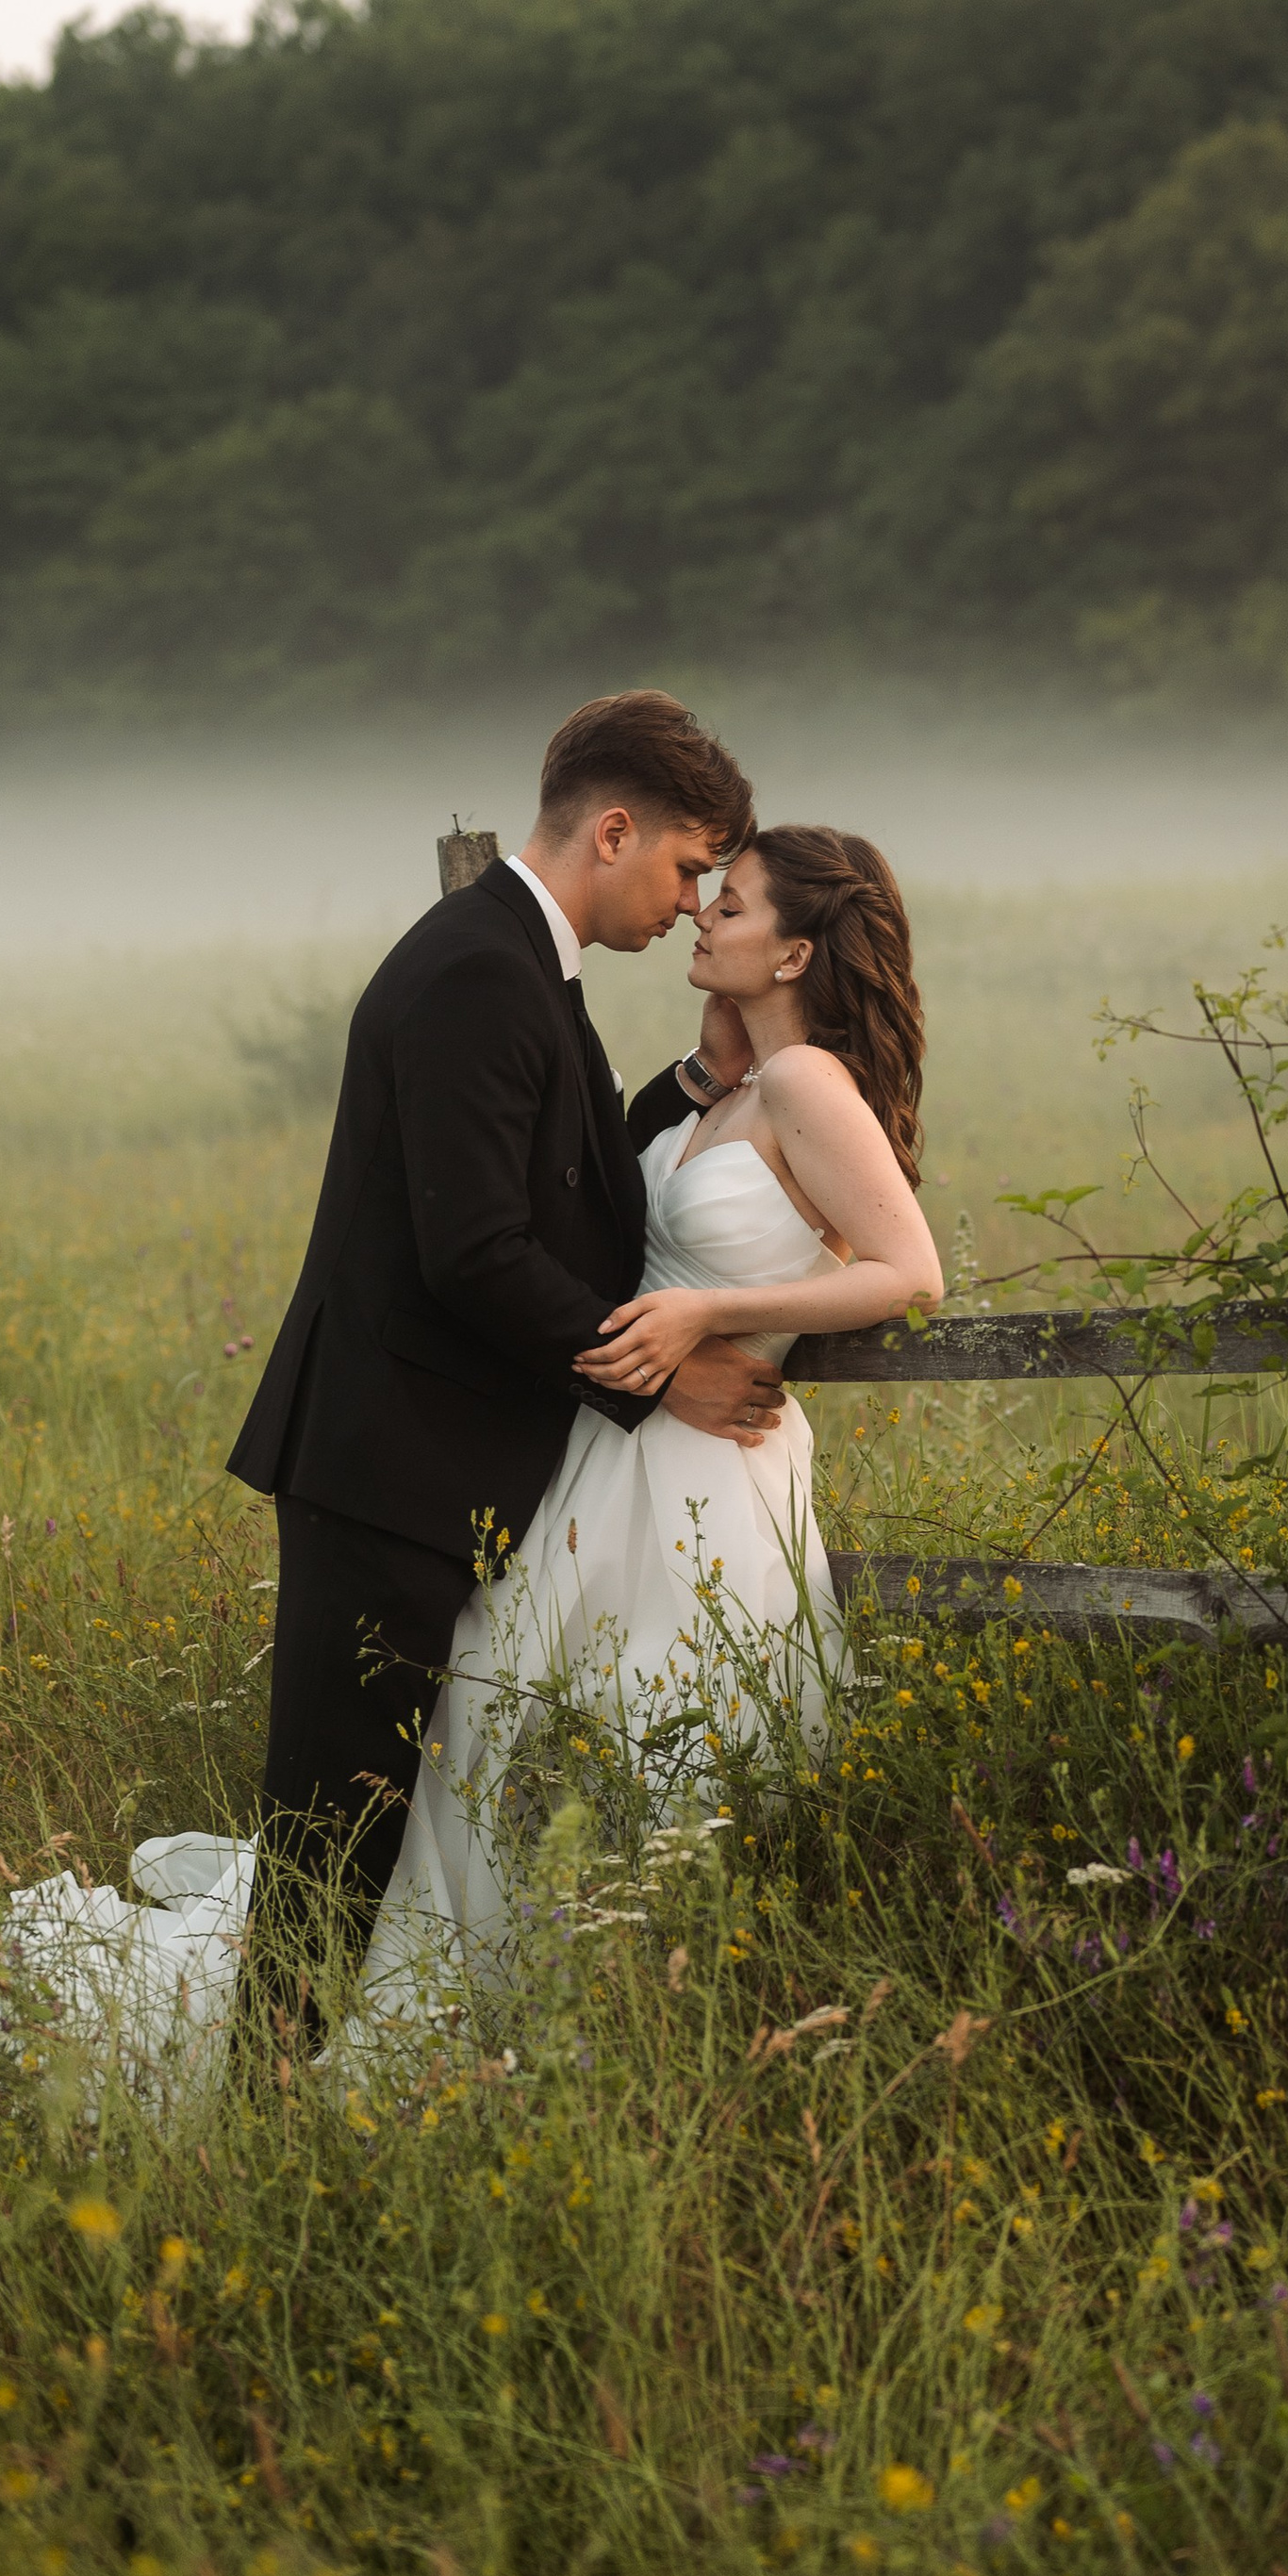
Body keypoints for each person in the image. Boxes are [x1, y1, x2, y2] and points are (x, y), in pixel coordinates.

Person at [224, 690, 781, 2044]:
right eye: (688, 866)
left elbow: (553, 1166)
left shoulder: (518, 963)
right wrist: (664, 1376)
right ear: (610, 829)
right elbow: (475, 1250)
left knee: (367, 1827)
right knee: (331, 1835)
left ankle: (286, 2094)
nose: (693, 902)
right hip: (391, 1472)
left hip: (416, 1464)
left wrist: (688, 1098)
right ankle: (258, 2114)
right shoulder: (483, 969)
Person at [354, 821, 940, 2032]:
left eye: (731, 904)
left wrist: (710, 1311)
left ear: (794, 954)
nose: (699, 915)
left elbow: (909, 1270)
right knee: (507, 1720)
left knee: (660, 1742)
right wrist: (708, 1058)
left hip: (703, 1476)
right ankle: (505, 2006)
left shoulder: (807, 1084)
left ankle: (648, 2009)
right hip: (605, 1455)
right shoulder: (731, 1087)